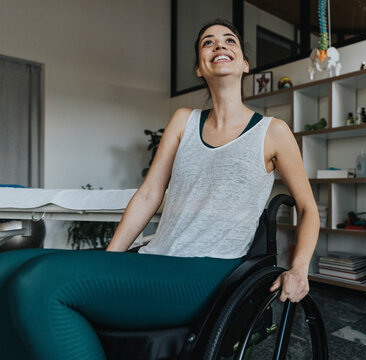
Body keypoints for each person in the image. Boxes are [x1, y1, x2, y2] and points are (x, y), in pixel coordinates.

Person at [0, 19, 319, 360]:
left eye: (229, 41)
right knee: (6, 268)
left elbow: (308, 208)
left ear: (244, 63)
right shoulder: (184, 120)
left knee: (36, 283)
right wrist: (110, 262)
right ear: (199, 67)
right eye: (208, 43)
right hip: (156, 259)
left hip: (208, 274)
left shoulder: (273, 131)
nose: (220, 46)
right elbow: (150, 194)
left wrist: (299, 269)